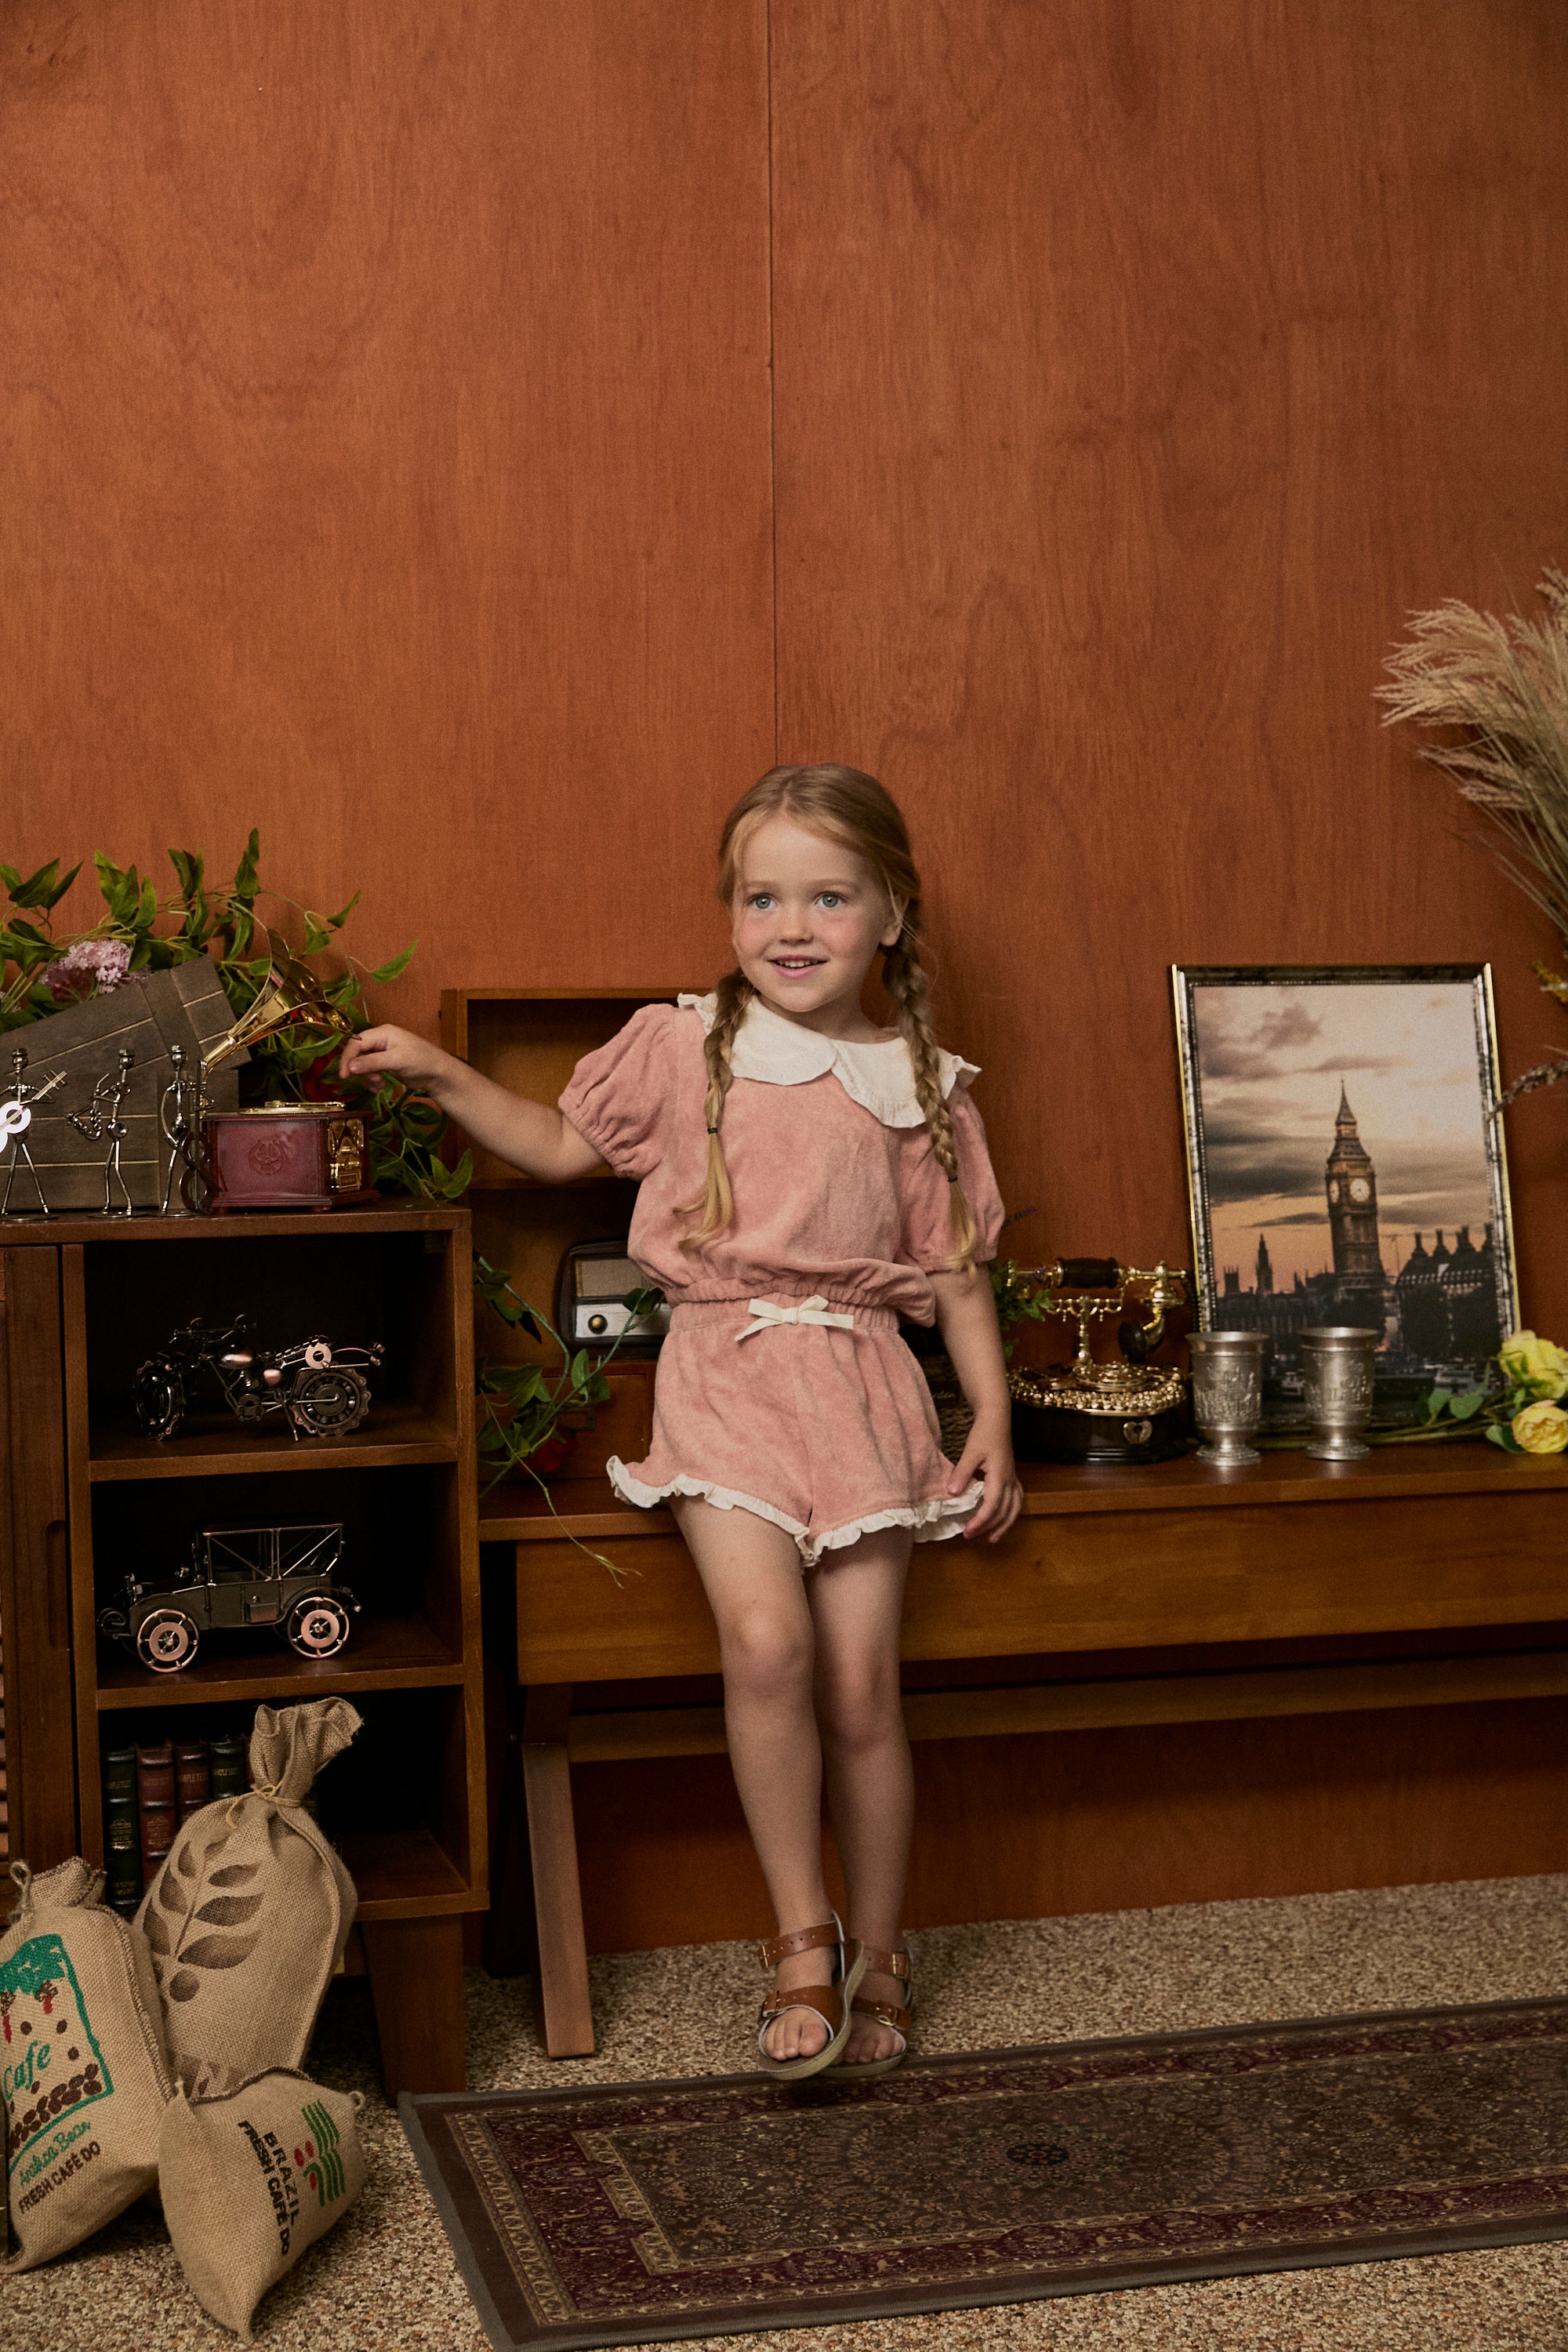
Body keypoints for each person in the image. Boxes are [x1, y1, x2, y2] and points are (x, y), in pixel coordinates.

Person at [341, 763, 1022, 2079]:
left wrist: (987, 1412)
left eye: (828, 898)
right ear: (730, 910)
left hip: (867, 1391)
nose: (791, 926)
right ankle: (801, 1939)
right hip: (726, 1380)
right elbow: (558, 1146)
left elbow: (953, 1275)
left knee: (861, 1683)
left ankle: (884, 1952)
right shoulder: (685, 1045)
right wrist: (440, 1074)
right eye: (762, 898)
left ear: (891, 914)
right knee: (766, 1646)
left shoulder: (922, 1085)